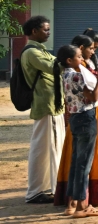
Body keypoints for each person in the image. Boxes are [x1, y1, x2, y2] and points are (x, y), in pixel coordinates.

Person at [55, 32, 98, 209]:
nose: (82, 59)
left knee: (76, 161)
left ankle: (71, 203)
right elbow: (93, 96)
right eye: (79, 57)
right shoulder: (77, 75)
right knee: (84, 163)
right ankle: (82, 205)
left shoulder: (65, 75)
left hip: (75, 118)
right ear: (69, 60)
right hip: (86, 118)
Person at [21, 16, 64, 204]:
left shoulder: (41, 50)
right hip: (46, 105)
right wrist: (74, 58)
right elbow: (54, 67)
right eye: (45, 29)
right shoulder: (32, 52)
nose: (48, 32)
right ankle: (38, 191)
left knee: (50, 148)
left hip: (52, 105)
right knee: (46, 149)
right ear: (33, 32)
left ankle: (46, 187)